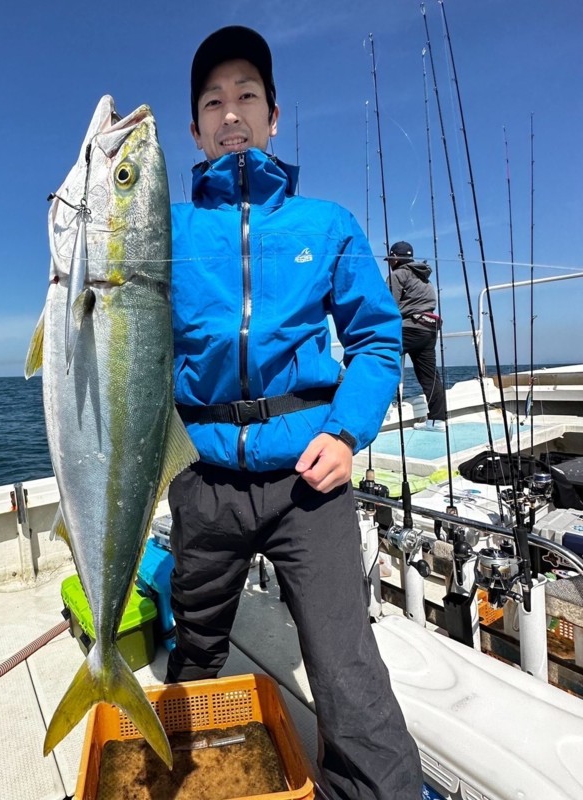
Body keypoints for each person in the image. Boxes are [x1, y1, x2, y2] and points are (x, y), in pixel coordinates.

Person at [167, 25, 423, 800]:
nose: (231, 111)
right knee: (196, 645)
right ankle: (179, 775)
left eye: (247, 95)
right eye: (214, 100)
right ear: (196, 127)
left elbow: (379, 339)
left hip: (310, 478)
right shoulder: (167, 230)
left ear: (275, 115)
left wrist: (348, 434)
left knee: (347, 669)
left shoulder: (327, 223)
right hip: (204, 478)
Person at [386, 241, 447, 431]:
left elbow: (388, 306)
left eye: (390, 259)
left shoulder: (397, 274)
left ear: (395, 258)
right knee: (429, 376)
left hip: (410, 328)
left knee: (379, 357)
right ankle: (437, 420)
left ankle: (381, 409)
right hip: (429, 330)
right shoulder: (425, 279)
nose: (389, 263)